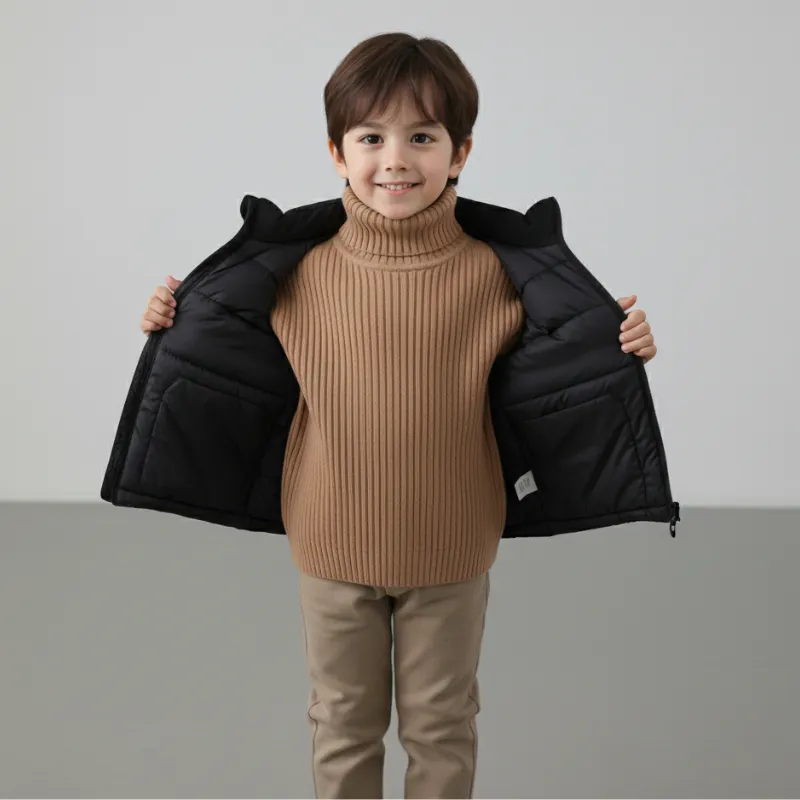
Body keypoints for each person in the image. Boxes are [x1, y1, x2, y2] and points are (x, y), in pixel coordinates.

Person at [136, 33, 659, 799]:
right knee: (341, 724)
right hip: (329, 536)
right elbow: (220, 355)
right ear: (336, 153)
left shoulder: (501, 272)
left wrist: (620, 341)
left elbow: (564, 370)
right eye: (371, 138)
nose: (395, 160)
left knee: (442, 726)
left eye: (422, 137)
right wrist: (168, 321)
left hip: (453, 541)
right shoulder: (290, 270)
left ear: (460, 152)